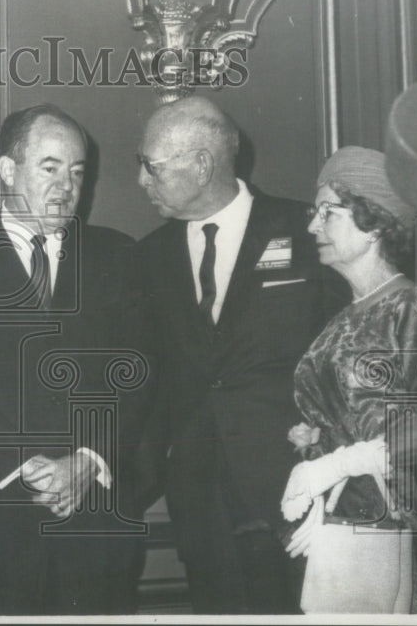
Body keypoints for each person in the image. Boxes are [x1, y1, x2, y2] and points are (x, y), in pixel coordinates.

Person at [0, 104, 150, 615]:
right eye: (50, 167)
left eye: (78, 171)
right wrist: (30, 469)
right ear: (7, 170)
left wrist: (86, 462)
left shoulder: (120, 256)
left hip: (98, 518)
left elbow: (141, 379)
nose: (66, 185)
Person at [133, 96, 346, 614]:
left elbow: (348, 363)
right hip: (200, 504)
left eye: (152, 167)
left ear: (202, 165)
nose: (142, 181)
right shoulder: (148, 257)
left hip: (298, 493)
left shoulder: (307, 232)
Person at [280, 146, 417, 613]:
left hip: (393, 529)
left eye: (328, 213)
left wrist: (338, 464)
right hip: (343, 522)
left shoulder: (412, 308)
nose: (313, 225)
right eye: (315, 213)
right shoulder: (344, 318)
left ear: (373, 224)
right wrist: (315, 442)